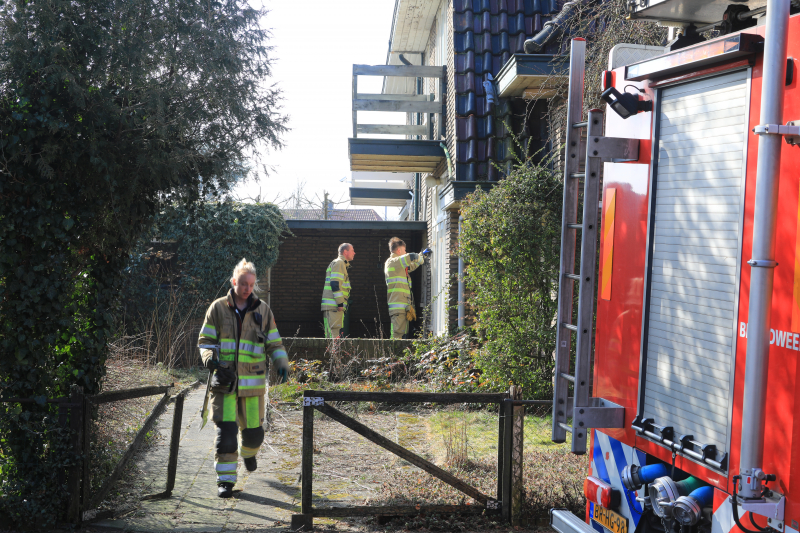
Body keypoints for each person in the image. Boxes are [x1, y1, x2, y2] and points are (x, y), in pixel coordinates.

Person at [198, 258, 290, 498]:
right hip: (224, 384)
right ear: (233, 282)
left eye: (251, 284)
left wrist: (281, 362)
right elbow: (205, 341)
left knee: (254, 435)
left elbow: (274, 342)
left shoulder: (263, 310)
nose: (247, 288)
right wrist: (208, 357)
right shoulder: (217, 308)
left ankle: (248, 453)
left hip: (253, 387)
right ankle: (225, 481)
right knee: (226, 435)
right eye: (242, 283)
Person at [384, 237, 424, 339]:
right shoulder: (393, 261)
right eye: (404, 250)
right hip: (398, 308)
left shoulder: (399, 265)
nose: (405, 252)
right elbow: (411, 256)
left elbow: (411, 265)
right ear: (399, 250)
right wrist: (420, 259)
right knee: (397, 335)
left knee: (402, 335)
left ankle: (397, 354)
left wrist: (421, 256)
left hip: (402, 307)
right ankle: (393, 354)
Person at [321, 243, 355, 338]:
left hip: (332, 306)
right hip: (334, 307)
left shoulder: (338, 263)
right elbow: (335, 284)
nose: (354, 253)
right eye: (352, 250)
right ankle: (334, 353)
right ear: (345, 252)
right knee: (334, 335)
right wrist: (340, 303)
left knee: (330, 335)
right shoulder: (340, 263)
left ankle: (332, 353)